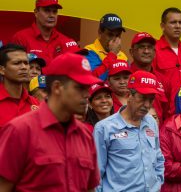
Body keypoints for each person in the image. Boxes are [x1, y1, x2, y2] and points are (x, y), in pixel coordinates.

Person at [0, 52, 100, 191]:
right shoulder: (20, 130)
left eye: (88, 88)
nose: (87, 95)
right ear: (57, 87)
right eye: (80, 88)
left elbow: (90, 188)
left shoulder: (86, 135)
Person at [93, 70, 165, 191]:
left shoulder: (151, 122)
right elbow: (96, 174)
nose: (147, 105)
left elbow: (158, 157)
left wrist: (157, 184)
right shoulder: (104, 128)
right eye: (142, 98)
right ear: (129, 95)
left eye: (151, 99)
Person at [152, 7, 181, 119]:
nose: (177, 26)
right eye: (173, 22)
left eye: (180, 23)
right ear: (162, 26)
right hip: (163, 116)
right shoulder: (154, 50)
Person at [12, 0, 79, 65]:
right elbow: (15, 68)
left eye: (55, 11)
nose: (52, 15)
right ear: (36, 12)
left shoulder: (65, 40)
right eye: (47, 10)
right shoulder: (21, 38)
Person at [130, 31, 167, 124]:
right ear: (132, 52)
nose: (146, 51)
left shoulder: (162, 78)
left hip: (158, 134)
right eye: (141, 47)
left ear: (154, 52)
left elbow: (167, 112)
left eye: (149, 47)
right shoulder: (124, 77)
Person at [0, 44, 39, 127]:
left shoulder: (35, 103)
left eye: (26, 63)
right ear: (2, 70)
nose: (24, 67)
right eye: (17, 63)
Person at [85, 13, 128, 80]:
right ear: (100, 32)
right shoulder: (88, 51)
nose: (114, 39)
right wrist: (112, 54)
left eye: (117, 35)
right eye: (110, 35)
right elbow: (93, 78)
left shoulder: (123, 56)